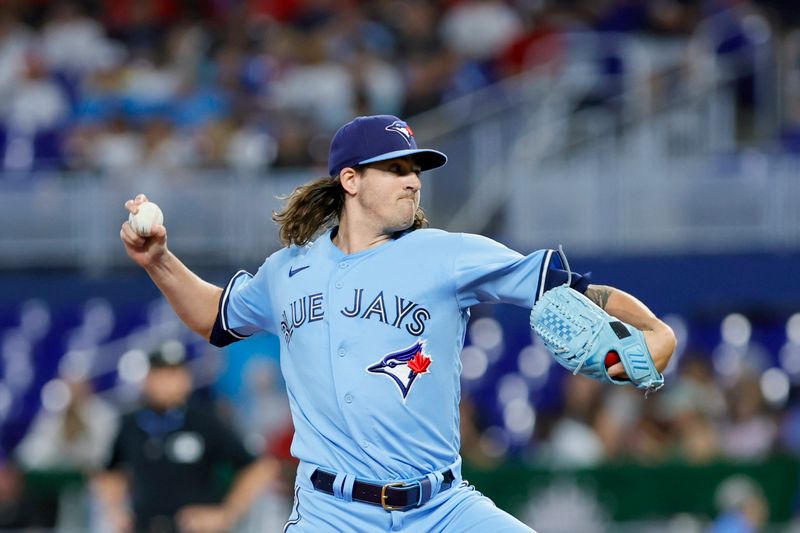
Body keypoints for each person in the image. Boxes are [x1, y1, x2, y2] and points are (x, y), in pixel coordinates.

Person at [120, 114, 676, 531]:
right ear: (351, 180)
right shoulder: (287, 270)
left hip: (441, 509)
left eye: (416, 169)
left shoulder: (447, 254)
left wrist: (654, 329)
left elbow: (572, 286)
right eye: (396, 168)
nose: (413, 180)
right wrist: (159, 262)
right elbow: (216, 317)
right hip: (331, 514)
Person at [93, 343, 276, 533]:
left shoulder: (204, 421)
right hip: (144, 527)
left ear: (186, 379)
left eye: (174, 374)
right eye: (160, 374)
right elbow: (109, 471)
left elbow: (260, 467)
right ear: (147, 379)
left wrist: (227, 512)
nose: (167, 382)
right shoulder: (130, 423)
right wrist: (114, 510)